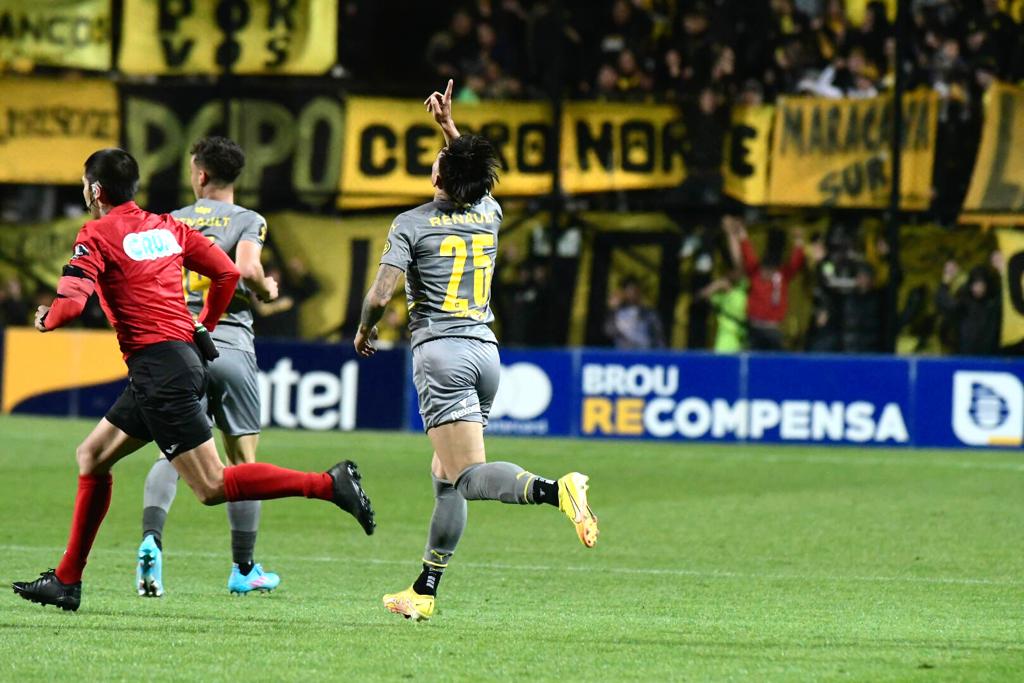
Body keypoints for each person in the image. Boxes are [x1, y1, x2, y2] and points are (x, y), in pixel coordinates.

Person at [12, 149, 374, 613]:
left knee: (211, 486)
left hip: (161, 371)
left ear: (95, 191)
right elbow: (226, 271)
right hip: (172, 361)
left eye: (85, 185)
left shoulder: (97, 234)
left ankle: (328, 484)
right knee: (92, 456)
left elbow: (69, 307)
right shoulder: (167, 227)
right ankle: (66, 580)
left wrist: (44, 319)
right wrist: (202, 321)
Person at [353, 80, 598, 622]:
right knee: (445, 476)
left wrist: (365, 330)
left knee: (467, 476)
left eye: (440, 157)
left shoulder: (410, 224)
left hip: (441, 354)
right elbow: (475, 179)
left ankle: (557, 490)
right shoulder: (488, 212)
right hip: (485, 353)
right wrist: (449, 129)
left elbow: (381, 294)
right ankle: (425, 588)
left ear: (439, 176)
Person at [135, 137, 283, 598]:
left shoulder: (170, 221)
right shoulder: (248, 220)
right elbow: (245, 268)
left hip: (178, 349)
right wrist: (269, 289)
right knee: (242, 461)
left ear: (199, 174)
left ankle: (151, 541)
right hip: (231, 347)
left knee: (172, 454)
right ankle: (243, 569)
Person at [604, 276, 665, 349]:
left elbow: (658, 336)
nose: (633, 294)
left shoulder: (649, 314)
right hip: (623, 354)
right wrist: (612, 310)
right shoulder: (616, 313)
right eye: (630, 291)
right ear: (624, 292)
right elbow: (609, 331)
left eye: (636, 291)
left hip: (644, 354)